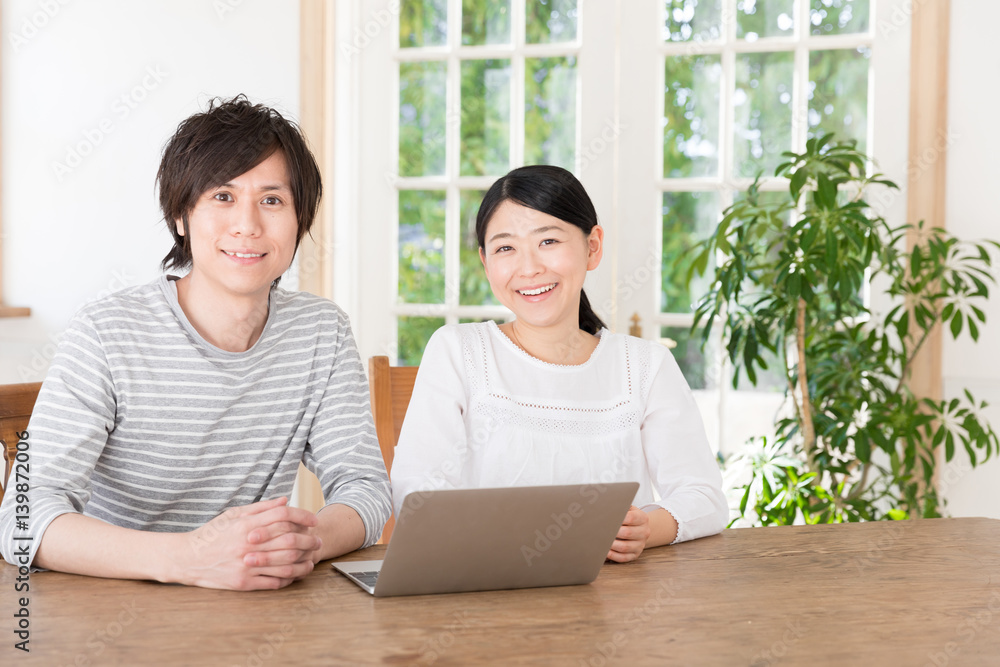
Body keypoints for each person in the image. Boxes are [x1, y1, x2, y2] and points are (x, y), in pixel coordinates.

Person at [0, 96, 391, 589]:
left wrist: (302, 542)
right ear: (181, 217)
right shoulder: (104, 333)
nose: (247, 225)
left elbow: (366, 488)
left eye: (272, 200)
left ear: (300, 221)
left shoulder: (322, 333)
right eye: (222, 197)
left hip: (252, 607)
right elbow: (21, 517)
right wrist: (188, 558)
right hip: (111, 608)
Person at [390, 165, 727, 562]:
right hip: (485, 591)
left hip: (615, 600)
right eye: (505, 248)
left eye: (548, 240)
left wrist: (648, 526)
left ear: (592, 246)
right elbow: (418, 494)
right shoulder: (458, 351)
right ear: (485, 262)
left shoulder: (645, 366)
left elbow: (704, 497)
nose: (529, 267)